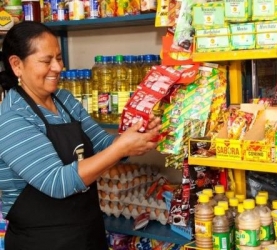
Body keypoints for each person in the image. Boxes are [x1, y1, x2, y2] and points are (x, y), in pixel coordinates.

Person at [0, 21, 161, 250]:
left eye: (59, 58)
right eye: (47, 61)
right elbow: (57, 182)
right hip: (41, 242)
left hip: (87, 234)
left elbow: (104, 145)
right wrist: (121, 148)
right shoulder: (11, 118)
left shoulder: (64, 100)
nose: (58, 67)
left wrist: (137, 135)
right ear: (17, 65)